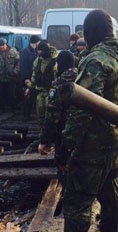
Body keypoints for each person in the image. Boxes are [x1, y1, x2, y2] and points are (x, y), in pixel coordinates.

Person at [60, 9, 118, 232]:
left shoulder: (96, 60)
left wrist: (65, 145)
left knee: (77, 203)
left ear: (90, 34)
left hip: (92, 147)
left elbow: (83, 110)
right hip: (114, 144)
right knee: (111, 199)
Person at [38, 50, 77, 184]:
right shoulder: (84, 78)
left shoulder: (59, 84)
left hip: (64, 133)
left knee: (63, 167)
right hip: (82, 133)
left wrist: (44, 141)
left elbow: (52, 116)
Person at [26, 40, 58, 132]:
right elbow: (34, 75)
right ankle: (42, 131)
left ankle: (50, 134)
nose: (39, 53)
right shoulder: (38, 60)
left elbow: (57, 77)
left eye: (40, 51)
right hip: (40, 90)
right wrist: (29, 87)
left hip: (51, 92)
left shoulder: (54, 61)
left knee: (50, 114)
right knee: (40, 112)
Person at [20, 35, 41, 121]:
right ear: (35, 42)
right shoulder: (25, 52)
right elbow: (23, 66)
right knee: (28, 97)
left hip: (36, 78)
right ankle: (26, 115)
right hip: (28, 78)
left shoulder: (37, 51)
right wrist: (25, 78)